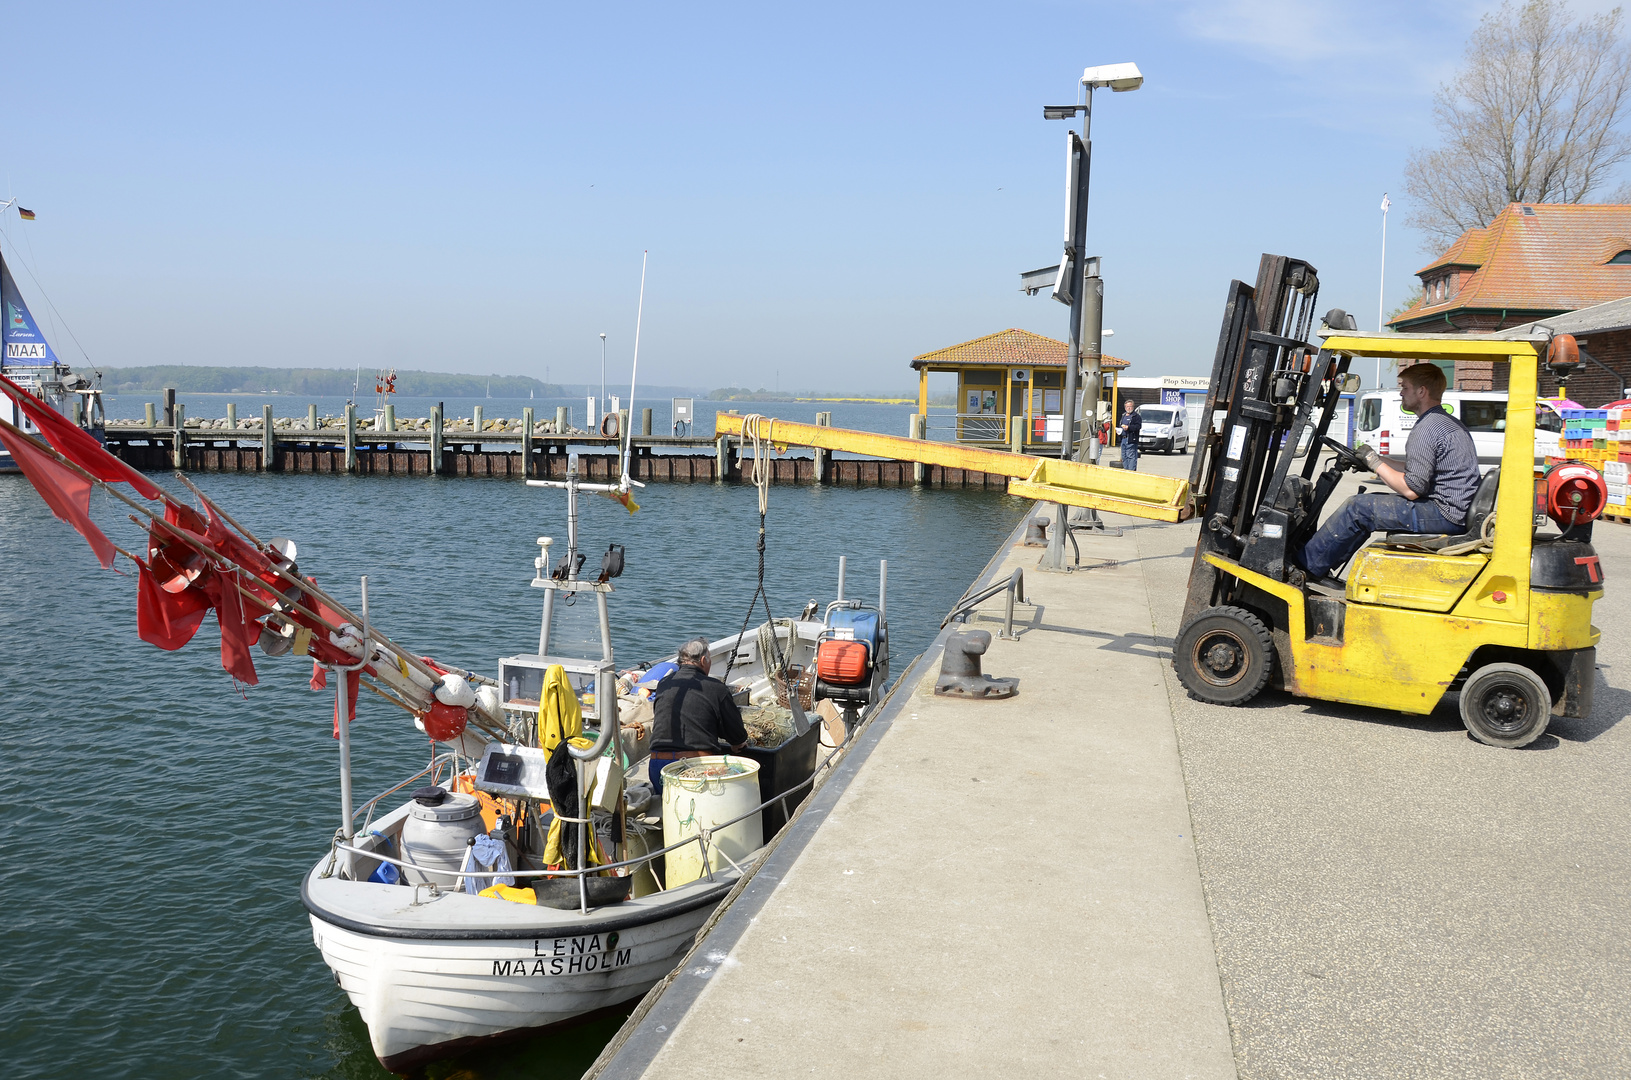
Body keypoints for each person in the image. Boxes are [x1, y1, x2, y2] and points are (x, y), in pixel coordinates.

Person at [1296, 363, 1480, 582]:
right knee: (1368, 506)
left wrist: (1374, 463)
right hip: (1454, 509)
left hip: (1444, 513)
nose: (1401, 393)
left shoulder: (1427, 429)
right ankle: (1322, 565)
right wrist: (1378, 460)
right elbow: (1418, 469)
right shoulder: (1444, 422)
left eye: (1405, 387)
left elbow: (1411, 489)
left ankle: (1304, 568)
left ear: (1422, 391)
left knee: (1358, 508)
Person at [648, 636, 749, 796]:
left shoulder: (664, 684)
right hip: (695, 770)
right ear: (703, 660)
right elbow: (737, 735)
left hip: (657, 769)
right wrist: (737, 743)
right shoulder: (717, 688)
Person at [1117, 399, 1142, 471]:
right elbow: (1121, 425)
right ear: (1125, 407)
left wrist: (1129, 427)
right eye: (1127, 406)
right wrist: (1119, 431)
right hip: (1123, 439)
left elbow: (1138, 426)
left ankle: (1131, 471)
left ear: (1133, 407)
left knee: (1130, 456)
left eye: (1130, 406)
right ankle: (1126, 470)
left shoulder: (1136, 416)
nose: (1129, 408)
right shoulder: (1123, 415)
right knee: (1124, 456)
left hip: (1131, 439)